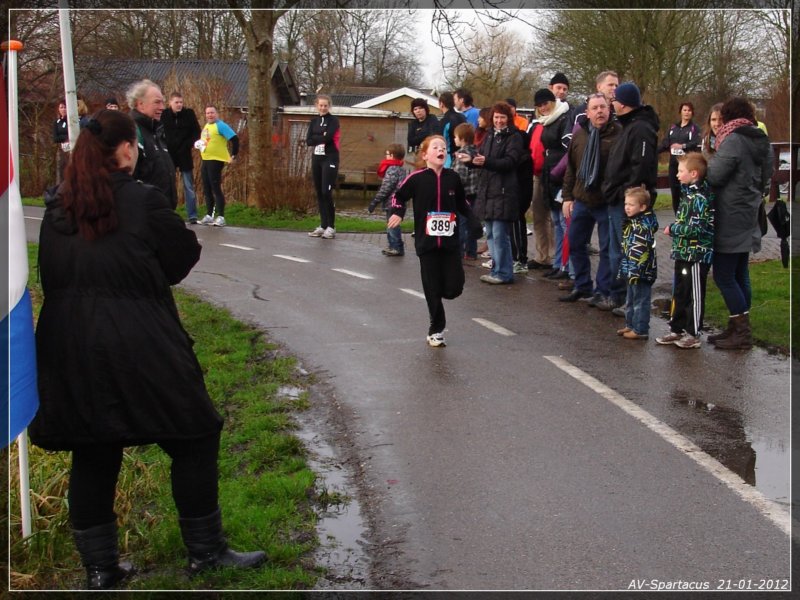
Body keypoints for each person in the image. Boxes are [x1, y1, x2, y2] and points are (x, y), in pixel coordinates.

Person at [29, 109, 265, 590]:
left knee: (93, 449)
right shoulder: (143, 202)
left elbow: (49, 275)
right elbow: (180, 259)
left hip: (67, 344)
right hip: (139, 340)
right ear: (123, 150)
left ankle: (100, 570)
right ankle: (206, 551)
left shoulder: (56, 210)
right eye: (134, 146)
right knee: (195, 434)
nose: (137, 152)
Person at [387, 135, 479, 347]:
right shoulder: (417, 178)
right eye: (436, 147)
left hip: (450, 243)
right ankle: (436, 329)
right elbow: (398, 196)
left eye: (444, 147)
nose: (441, 150)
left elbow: (462, 202)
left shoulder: (452, 178)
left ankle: (443, 293)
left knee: (454, 288)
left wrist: (473, 220)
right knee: (431, 287)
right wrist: (398, 212)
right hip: (426, 243)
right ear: (425, 154)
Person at [705, 97, 773, 350]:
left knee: (724, 274)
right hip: (750, 210)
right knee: (739, 272)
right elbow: (768, 176)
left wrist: (706, 163)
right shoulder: (760, 139)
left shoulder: (734, 139)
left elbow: (715, 175)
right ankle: (737, 326)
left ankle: (742, 332)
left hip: (730, 212)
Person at [603, 82, 660, 311]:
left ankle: (630, 302)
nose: (612, 104)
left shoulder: (641, 129)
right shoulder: (629, 126)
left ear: (624, 104)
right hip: (618, 198)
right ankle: (620, 297)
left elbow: (641, 167)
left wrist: (627, 195)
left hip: (627, 202)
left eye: (615, 100)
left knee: (628, 253)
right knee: (617, 251)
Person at [560, 93, 622, 303]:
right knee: (576, 243)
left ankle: (602, 291)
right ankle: (582, 285)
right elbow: (571, 167)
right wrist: (567, 197)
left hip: (606, 201)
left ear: (609, 109)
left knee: (606, 248)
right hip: (582, 199)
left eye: (603, 107)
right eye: (594, 108)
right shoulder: (580, 135)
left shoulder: (618, 134)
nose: (599, 112)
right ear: (587, 112)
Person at [656, 153, 715, 349]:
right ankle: (676, 327)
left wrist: (673, 229)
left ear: (694, 173)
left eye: (681, 172)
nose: (677, 175)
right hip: (683, 251)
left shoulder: (699, 198)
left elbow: (696, 228)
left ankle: (693, 332)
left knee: (695, 292)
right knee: (680, 290)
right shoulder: (686, 194)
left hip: (698, 253)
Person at [463, 101, 524, 285]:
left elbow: (510, 162)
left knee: (499, 234)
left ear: (508, 119)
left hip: (504, 191)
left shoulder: (514, 137)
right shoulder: (489, 135)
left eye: (502, 117)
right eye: (496, 117)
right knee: (489, 233)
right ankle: (496, 269)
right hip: (488, 190)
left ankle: (504, 272)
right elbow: (482, 159)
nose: (499, 121)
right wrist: (470, 161)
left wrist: (485, 161)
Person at [534, 88, 573, 281]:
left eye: (545, 103)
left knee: (565, 223)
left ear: (552, 102)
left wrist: (559, 171)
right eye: (539, 105)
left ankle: (567, 266)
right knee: (557, 222)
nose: (543, 108)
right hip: (549, 175)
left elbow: (569, 151)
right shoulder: (547, 121)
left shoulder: (564, 118)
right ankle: (559, 262)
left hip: (561, 175)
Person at [127, 79, 177, 208]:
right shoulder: (132, 132)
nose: (162, 107)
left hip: (163, 212)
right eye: (157, 102)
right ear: (140, 104)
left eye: (162, 102)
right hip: (145, 214)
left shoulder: (156, 132)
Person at [617, 186, 658, 340]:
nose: (627, 208)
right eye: (626, 204)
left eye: (631, 205)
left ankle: (640, 329)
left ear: (642, 207)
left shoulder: (642, 225)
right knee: (631, 299)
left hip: (641, 271)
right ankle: (630, 324)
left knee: (640, 300)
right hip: (631, 268)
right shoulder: (632, 222)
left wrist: (635, 268)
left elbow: (640, 251)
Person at [162, 92, 202, 224]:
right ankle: (168, 212)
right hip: (169, 154)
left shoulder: (189, 114)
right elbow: (159, 132)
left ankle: (192, 215)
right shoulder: (164, 115)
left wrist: (188, 145)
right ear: (170, 103)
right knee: (169, 185)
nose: (179, 105)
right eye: (176, 102)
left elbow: (197, 132)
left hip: (184, 153)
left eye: (181, 102)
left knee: (188, 186)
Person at [197, 104, 239, 227]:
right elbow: (207, 140)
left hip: (216, 160)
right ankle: (210, 215)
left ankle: (221, 216)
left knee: (215, 187)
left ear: (216, 114)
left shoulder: (220, 125)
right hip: (205, 159)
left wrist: (233, 155)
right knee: (207, 187)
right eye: (208, 113)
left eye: (212, 113)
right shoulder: (206, 126)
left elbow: (234, 139)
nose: (210, 115)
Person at [306, 94, 340, 238]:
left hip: (330, 158)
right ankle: (323, 224)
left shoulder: (333, 120)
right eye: (321, 105)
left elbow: (328, 137)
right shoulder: (313, 121)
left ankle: (331, 227)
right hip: (317, 158)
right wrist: (320, 135)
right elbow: (309, 140)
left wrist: (318, 136)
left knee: (327, 192)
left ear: (329, 106)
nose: (323, 108)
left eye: (325, 105)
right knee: (319, 192)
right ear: (317, 106)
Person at [658, 102, 702, 214]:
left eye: (689, 110)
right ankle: (677, 217)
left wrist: (682, 146)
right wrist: (653, 152)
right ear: (680, 112)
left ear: (692, 113)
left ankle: (688, 216)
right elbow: (665, 143)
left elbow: (697, 143)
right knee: (675, 191)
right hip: (673, 164)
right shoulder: (673, 128)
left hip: (687, 165)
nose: (687, 112)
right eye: (684, 110)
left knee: (686, 192)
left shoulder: (694, 128)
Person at [368, 143, 408, 256]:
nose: (385, 157)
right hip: (399, 202)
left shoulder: (392, 169)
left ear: (391, 155)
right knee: (392, 224)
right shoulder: (401, 169)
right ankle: (392, 245)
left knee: (392, 225)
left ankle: (396, 247)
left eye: (387, 154)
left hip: (392, 202)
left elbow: (386, 188)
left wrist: (375, 201)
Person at [452, 122, 479, 260]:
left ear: (462, 138)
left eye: (455, 137)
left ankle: (459, 251)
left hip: (463, 194)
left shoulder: (461, 155)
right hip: (475, 193)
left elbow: (459, 177)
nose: (454, 139)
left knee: (460, 224)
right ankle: (471, 252)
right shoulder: (476, 152)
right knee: (471, 223)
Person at [438, 92, 466, 168]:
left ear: (441, 104)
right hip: (464, 156)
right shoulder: (462, 117)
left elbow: (442, 142)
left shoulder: (444, 121)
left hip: (449, 159)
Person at [53, 99, 70, 184]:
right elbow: (55, 138)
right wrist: (65, 137)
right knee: (62, 171)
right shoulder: (57, 122)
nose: (63, 109)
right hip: (62, 150)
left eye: (65, 107)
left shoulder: (72, 121)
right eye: (61, 107)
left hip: (72, 149)